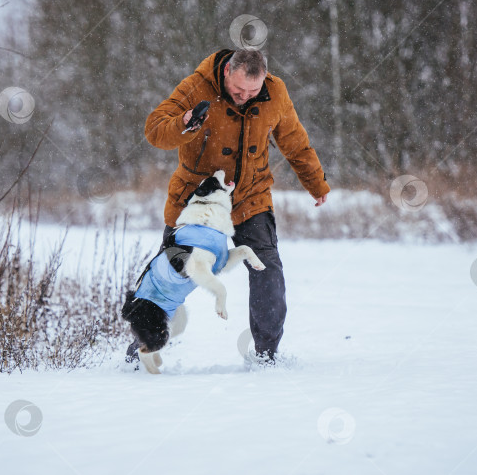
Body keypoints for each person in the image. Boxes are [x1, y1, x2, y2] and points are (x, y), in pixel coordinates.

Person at [126, 48, 329, 365]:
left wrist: (315, 181)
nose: (246, 97)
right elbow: (154, 130)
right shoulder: (197, 85)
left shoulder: (275, 92)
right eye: (238, 90)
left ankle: (266, 357)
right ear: (225, 74)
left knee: (267, 270)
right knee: (169, 277)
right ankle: (140, 351)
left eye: (253, 91)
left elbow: (294, 139)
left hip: (250, 197)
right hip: (197, 202)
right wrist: (183, 122)